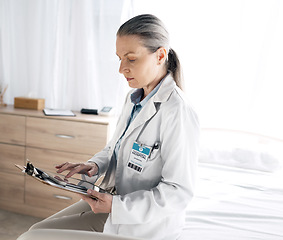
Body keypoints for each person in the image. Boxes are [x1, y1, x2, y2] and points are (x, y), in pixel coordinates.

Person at [17, 14, 199, 240]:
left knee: (32, 238)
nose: (122, 68)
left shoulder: (177, 111)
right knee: (36, 231)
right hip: (113, 201)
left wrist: (117, 205)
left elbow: (178, 191)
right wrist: (93, 165)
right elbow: (115, 147)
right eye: (119, 58)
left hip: (143, 222)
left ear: (160, 55)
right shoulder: (134, 100)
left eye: (131, 59)